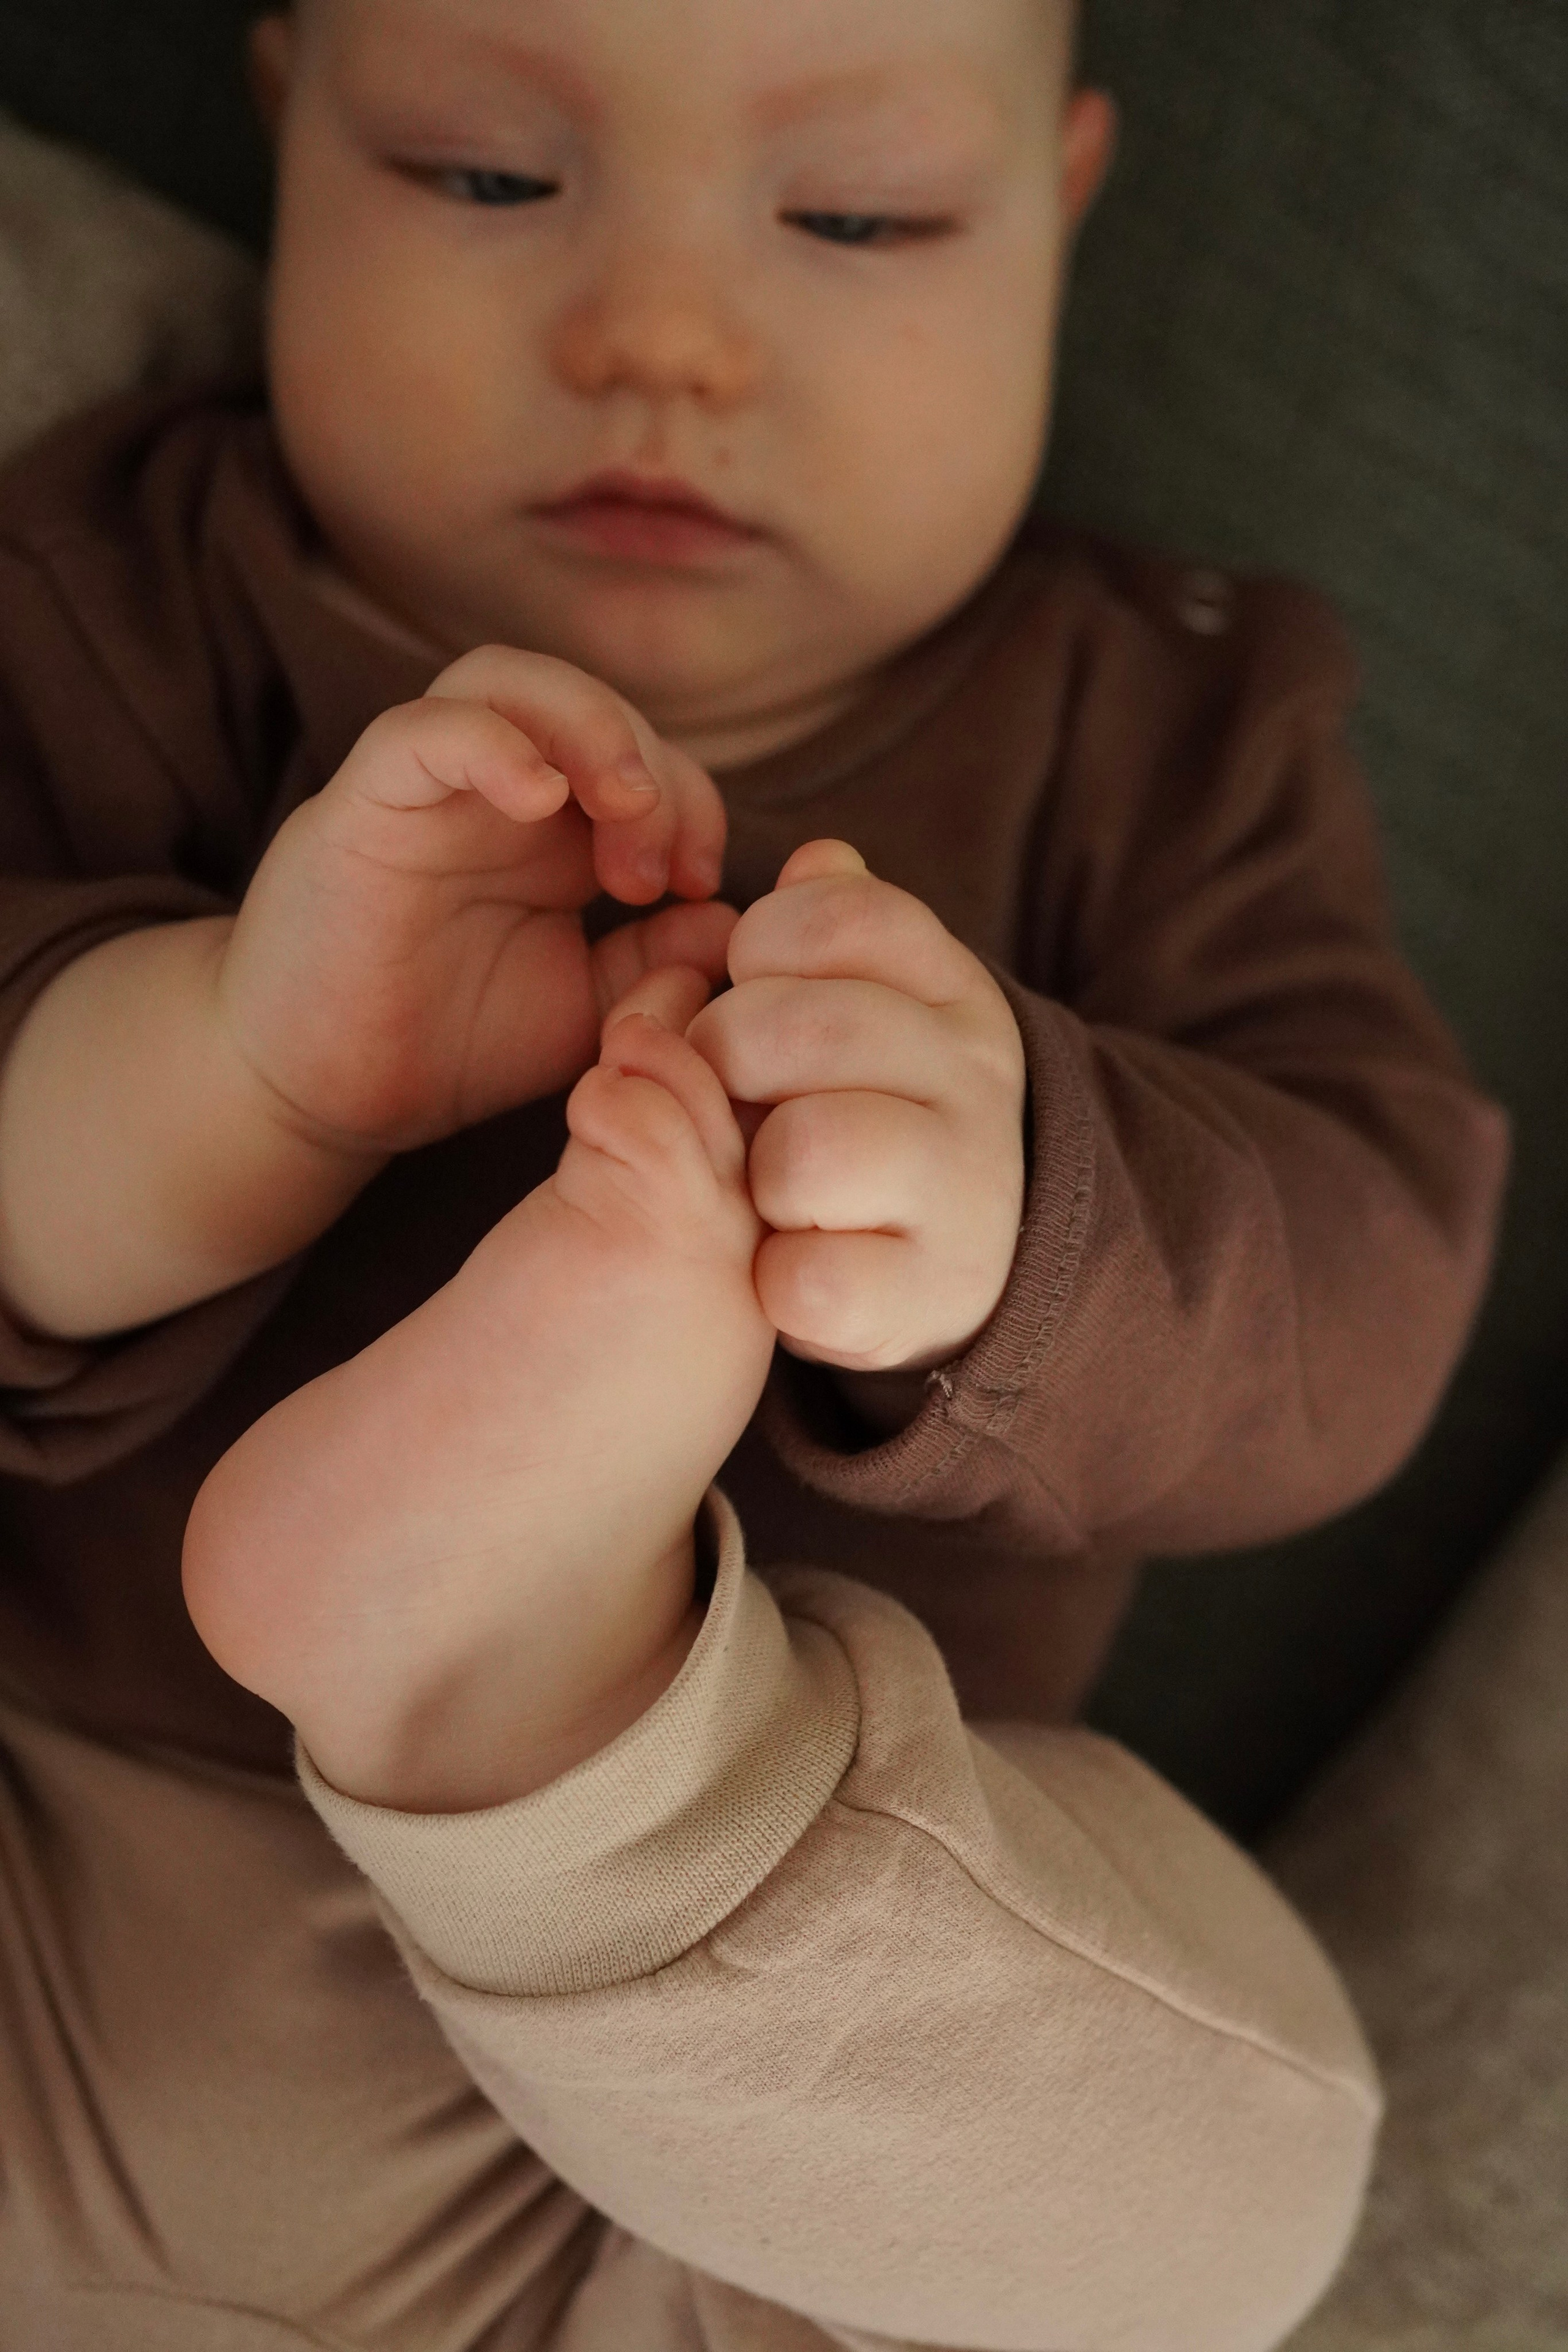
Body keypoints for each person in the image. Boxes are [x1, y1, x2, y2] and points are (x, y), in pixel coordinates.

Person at [0, 0, 1509, 2343]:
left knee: (1244, 2175)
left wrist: (1023, 1222)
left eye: (856, 217)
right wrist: (231, 1066)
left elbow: (1373, 1286)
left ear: (1058, 208)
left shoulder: (1160, 738)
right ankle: (493, 1688)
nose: (664, 339)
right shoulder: (132, 586)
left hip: (685, 2128)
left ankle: (538, 1727)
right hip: (47, 1875)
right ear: (288, 116)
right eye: (486, 177)